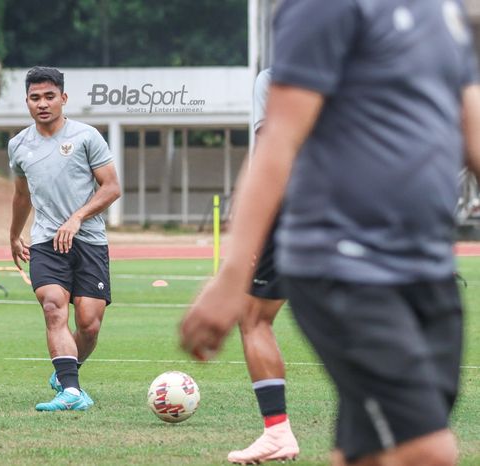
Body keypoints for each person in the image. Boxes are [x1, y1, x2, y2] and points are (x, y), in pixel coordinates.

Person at [180, 1, 480, 465]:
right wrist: (233, 274)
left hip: (428, 266)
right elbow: (276, 141)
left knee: (370, 450)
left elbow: (472, 132)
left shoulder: (443, 13)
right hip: (344, 262)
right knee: (427, 450)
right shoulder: (324, 7)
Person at [8, 66, 121, 412]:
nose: (42, 104)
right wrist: (14, 235)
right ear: (27, 101)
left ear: (63, 98)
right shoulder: (18, 145)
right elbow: (22, 195)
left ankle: (66, 372)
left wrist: (77, 217)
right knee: (53, 305)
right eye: (35, 97)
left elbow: (112, 187)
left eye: (49, 96)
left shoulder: (87, 136)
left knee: (89, 324)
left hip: (89, 241)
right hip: (45, 242)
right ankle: (71, 391)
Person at [227, 68, 299, 465]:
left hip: (295, 208)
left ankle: (277, 431)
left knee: (253, 316)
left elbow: (271, 146)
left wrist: (250, 222)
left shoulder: (275, 76)